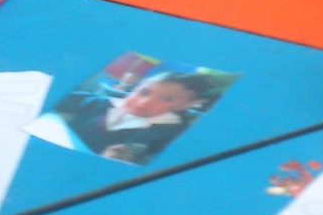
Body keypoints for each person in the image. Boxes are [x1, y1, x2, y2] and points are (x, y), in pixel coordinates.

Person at [59, 70, 217, 164]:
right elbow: (60, 98)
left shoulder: (174, 132)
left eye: (167, 99)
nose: (144, 102)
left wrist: (132, 158)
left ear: (186, 105)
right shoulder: (102, 103)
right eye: (144, 92)